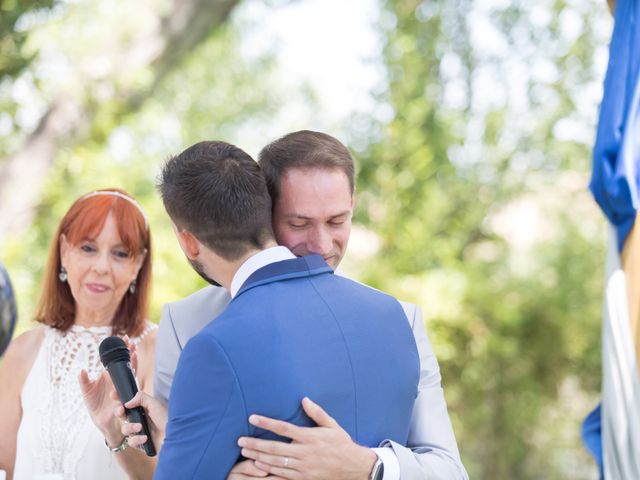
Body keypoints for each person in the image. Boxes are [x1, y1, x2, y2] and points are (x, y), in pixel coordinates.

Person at [153, 131, 467, 480]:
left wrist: (366, 465)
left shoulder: (399, 318)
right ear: (265, 213)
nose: (320, 245)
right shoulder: (185, 323)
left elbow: (450, 471)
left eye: (336, 221)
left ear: (353, 206)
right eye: (298, 223)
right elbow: (177, 453)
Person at [0, 189, 156, 480]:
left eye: (120, 253)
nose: (101, 267)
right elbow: (4, 467)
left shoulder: (155, 348)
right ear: (63, 250)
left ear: (138, 264)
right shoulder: (22, 350)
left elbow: (167, 474)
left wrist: (113, 432)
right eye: (88, 248)